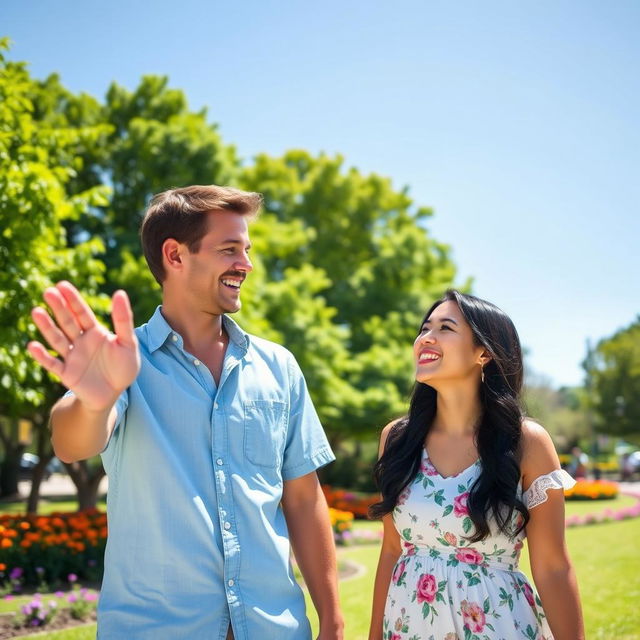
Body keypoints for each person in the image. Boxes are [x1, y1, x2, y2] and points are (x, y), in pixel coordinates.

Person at [28, 185, 344, 640]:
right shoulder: (123, 362)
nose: (246, 264)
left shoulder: (279, 367)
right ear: (175, 256)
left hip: (275, 628)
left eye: (247, 249)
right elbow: (73, 441)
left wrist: (331, 620)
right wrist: (94, 400)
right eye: (229, 249)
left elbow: (302, 498)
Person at [368, 290, 584, 640]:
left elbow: (553, 567)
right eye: (425, 328)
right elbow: (392, 549)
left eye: (445, 328)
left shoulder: (526, 442)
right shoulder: (397, 439)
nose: (427, 337)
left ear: (483, 353)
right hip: (409, 627)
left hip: (499, 625)